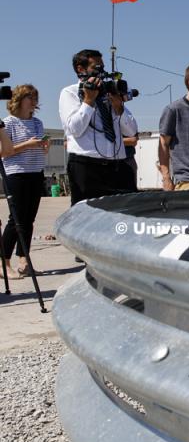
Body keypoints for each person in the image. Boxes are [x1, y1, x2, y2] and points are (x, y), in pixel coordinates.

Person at [59, 49, 138, 206]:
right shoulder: (70, 93)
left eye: (102, 66)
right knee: (86, 218)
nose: (101, 71)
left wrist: (118, 106)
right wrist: (88, 101)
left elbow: (131, 131)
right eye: (96, 67)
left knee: (126, 215)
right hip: (87, 167)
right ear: (80, 69)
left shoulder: (109, 91)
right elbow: (74, 129)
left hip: (118, 165)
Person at [1, 85, 48, 278]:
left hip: (35, 172)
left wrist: (44, 146)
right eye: (30, 97)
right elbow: (4, 152)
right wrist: (28, 144)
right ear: (19, 99)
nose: (34, 101)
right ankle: (3, 263)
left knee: (29, 220)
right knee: (16, 220)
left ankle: (24, 260)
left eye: (35, 97)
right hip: (16, 173)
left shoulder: (37, 122)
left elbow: (42, 148)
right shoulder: (8, 123)